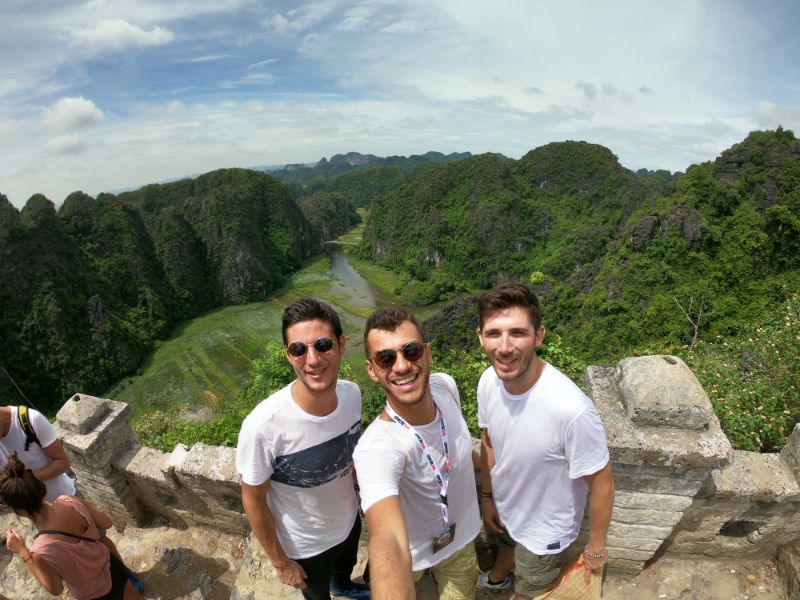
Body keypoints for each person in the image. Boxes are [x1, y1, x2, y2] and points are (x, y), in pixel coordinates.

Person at [475, 282, 614, 599]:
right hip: (506, 506)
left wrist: (595, 548)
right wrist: (487, 497)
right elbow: (489, 441)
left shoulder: (570, 409)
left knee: (531, 587)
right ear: (480, 337)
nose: (505, 346)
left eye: (518, 333)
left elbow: (602, 482)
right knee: (506, 544)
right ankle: (499, 576)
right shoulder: (488, 381)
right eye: (494, 333)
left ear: (538, 336)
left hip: (545, 530)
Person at [236, 298, 369, 600]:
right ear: (288, 355)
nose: (312, 359)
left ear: (341, 345)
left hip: (349, 523)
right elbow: (253, 501)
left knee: (343, 570)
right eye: (299, 349)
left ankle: (344, 585)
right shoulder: (263, 427)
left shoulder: (352, 395)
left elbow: (352, 454)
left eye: (323, 345)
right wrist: (282, 563)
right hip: (305, 546)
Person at [353, 308, 481, 600]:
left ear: (427, 353)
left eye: (410, 351)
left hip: (462, 540)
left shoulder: (445, 388)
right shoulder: (378, 447)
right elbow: (388, 541)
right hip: (409, 554)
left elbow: (457, 445)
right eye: (386, 358)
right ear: (372, 369)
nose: (401, 366)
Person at [0, 453, 141, 599]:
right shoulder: (69, 501)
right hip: (110, 566)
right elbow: (107, 523)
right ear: (39, 488)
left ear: (19, 511)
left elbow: (56, 589)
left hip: (94, 593)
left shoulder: (40, 550)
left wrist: (23, 552)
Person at [0, 405, 75, 501]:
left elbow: (63, 463)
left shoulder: (31, 420)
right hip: (32, 512)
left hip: (64, 500)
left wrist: (22, 480)